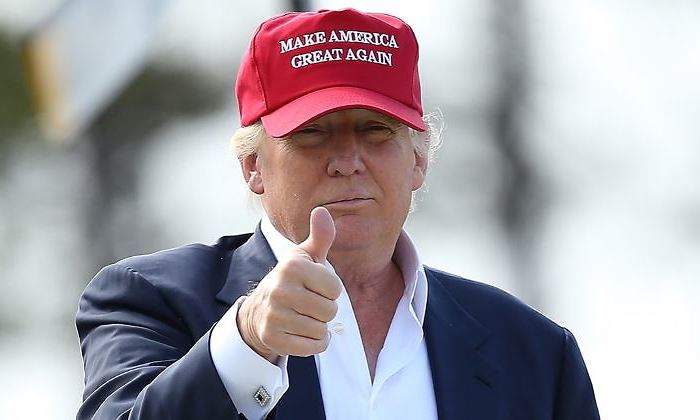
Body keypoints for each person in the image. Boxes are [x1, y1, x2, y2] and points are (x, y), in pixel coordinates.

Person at [76, 8, 600, 420]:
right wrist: (247, 343)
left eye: (376, 132)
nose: (348, 162)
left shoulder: (532, 351)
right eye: (312, 134)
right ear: (253, 167)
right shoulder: (150, 300)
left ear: (418, 161)